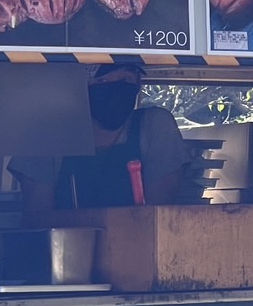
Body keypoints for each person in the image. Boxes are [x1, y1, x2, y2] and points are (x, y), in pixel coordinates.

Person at [11, 61, 189, 210]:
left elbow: (160, 217)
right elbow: (38, 219)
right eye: (102, 80)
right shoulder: (46, 133)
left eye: (125, 78)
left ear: (138, 83)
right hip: (69, 249)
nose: (116, 89)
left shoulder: (153, 126)